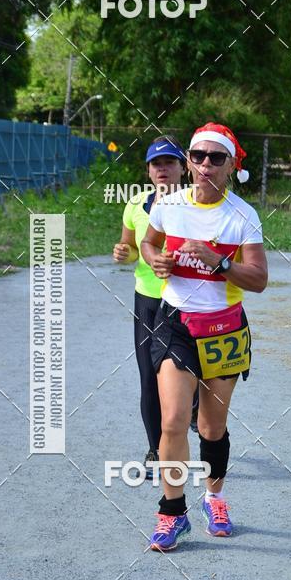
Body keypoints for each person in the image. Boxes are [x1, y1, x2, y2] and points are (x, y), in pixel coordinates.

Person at [141, 122, 268, 550]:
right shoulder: (169, 205)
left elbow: (259, 280)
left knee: (211, 428)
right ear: (189, 162)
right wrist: (156, 260)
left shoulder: (243, 216)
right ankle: (172, 512)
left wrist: (220, 262)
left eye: (217, 157)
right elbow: (149, 243)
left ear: (231, 165)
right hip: (175, 322)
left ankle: (214, 498)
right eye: (198, 156)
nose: (206, 164)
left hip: (224, 328)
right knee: (173, 420)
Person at [112, 136, 188, 478]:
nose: (163, 169)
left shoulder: (196, 206)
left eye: (170, 162)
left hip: (185, 301)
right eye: (156, 164)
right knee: (148, 376)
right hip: (147, 299)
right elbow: (130, 248)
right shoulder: (135, 205)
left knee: (190, 375)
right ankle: (156, 449)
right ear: (148, 170)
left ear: (183, 168)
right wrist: (123, 253)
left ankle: (194, 415)